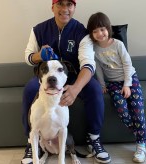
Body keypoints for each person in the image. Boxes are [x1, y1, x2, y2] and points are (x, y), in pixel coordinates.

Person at [21, 1, 111, 163]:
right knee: (29, 89)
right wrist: (39, 55)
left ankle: (94, 139)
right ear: (52, 7)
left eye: (69, 4)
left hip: (73, 75)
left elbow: (88, 63)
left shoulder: (82, 32)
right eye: (60, 4)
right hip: (48, 76)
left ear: (74, 7)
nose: (64, 9)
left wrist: (75, 88)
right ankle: (31, 143)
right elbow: (28, 56)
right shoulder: (38, 29)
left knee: (94, 89)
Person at [87, 12, 146, 163]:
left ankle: (141, 145)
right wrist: (102, 84)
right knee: (122, 110)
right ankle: (142, 135)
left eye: (103, 29)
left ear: (108, 28)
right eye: (95, 31)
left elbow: (127, 64)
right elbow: (98, 68)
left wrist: (127, 84)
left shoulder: (118, 44)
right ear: (91, 34)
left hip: (130, 79)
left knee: (137, 109)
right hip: (112, 84)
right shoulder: (94, 50)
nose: (100, 33)